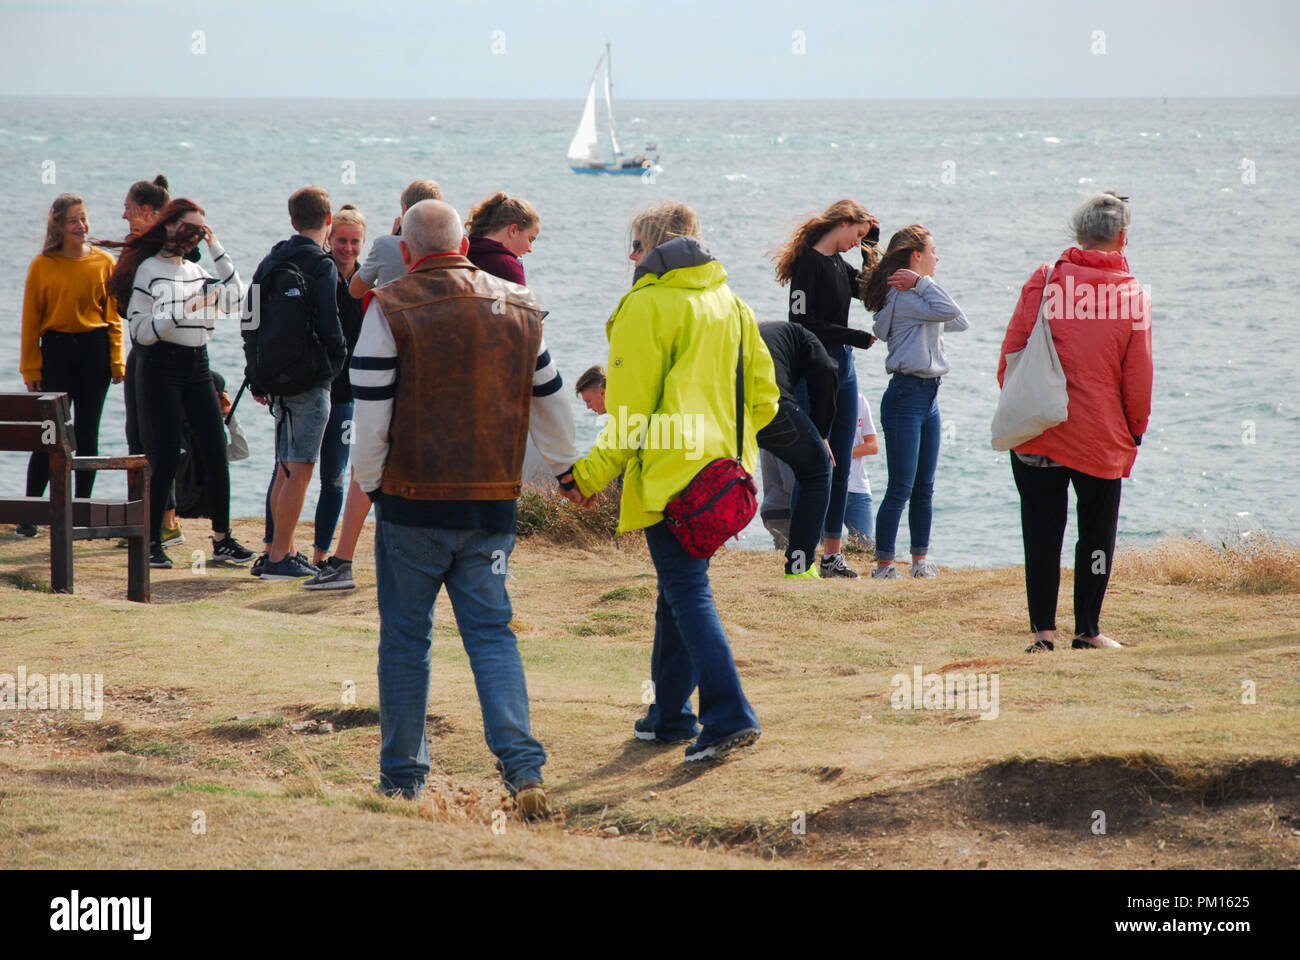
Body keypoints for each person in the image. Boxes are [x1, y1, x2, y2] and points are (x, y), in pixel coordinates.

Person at [350, 199, 577, 816]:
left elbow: (370, 417)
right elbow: (554, 406)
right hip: (491, 507)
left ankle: (402, 781)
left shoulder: (390, 307)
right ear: (463, 244)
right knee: (491, 634)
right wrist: (564, 472)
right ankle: (524, 771)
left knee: (405, 639)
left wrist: (372, 486)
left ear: (407, 250)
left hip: (411, 503)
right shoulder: (520, 307)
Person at [566, 200, 780, 762]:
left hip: (672, 483)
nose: (629, 258)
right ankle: (669, 716)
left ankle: (729, 715)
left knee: (686, 593)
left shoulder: (646, 306)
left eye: (633, 247)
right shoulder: (730, 303)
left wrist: (587, 477)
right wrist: (723, 450)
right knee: (676, 594)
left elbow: (629, 414)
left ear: (651, 248)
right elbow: (764, 398)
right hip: (723, 482)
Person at [998, 193, 1152, 653]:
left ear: (1076, 232)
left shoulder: (1044, 281)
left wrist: (1024, 402)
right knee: (1096, 535)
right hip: (1100, 439)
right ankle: (1087, 630)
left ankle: (1043, 634)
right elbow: (1137, 375)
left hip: (1038, 433)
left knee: (1041, 532)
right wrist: (1136, 428)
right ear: (1123, 236)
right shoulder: (1131, 295)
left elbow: (1011, 355)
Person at [111, 198, 255, 569]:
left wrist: (214, 244)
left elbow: (238, 296)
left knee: (214, 448)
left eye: (200, 232)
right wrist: (184, 309)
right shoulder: (149, 270)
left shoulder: (195, 271)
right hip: (160, 367)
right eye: (189, 229)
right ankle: (152, 541)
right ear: (169, 225)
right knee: (166, 455)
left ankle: (222, 540)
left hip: (198, 365)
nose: (193, 238)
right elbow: (141, 332)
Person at [773, 199, 879, 578]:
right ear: (844, 222)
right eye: (858, 235)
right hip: (814, 368)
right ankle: (801, 561)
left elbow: (871, 292)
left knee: (843, 463)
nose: (857, 242)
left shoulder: (839, 264)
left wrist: (872, 247)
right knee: (816, 461)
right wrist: (854, 335)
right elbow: (802, 324)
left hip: (843, 365)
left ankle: (833, 557)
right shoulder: (808, 264)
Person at [246, 186, 347, 581]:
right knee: (301, 468)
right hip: (309, 379)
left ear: (292, 221)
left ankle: (281, 549)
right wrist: (336, 361)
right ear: (328, 221)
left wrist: (255, 371)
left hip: (277, 379)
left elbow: (249, 318)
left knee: (286, 467)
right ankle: (278, 561)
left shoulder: (272, 260)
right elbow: (329, 322)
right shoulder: (320, 265)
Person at [16, 194, 124, 537]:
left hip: (95, 351)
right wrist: (31, 369)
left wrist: (117, 360)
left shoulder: (104, 262)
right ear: (59, 226)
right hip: (57, 352)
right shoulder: (43, 264)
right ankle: (31, 512)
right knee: (49, 434)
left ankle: (79, 512)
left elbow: (114, 317)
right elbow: (31, 322)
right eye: (74, 220)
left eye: (84, 219)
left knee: (88, 431)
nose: (82, 226)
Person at [865, 224, 968, 580]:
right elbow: (948, 312)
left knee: (924, 486)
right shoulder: (908, 298)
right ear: (916, 256)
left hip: (928, 397)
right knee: (901, 487)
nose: (938, 257)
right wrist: (923, 285)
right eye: (933, 251)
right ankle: (884, 565)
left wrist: (925, 287)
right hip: (906, 397)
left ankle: (920, 560)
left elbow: (959, 319)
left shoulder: (920, 298)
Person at [296, 204, 370, 590]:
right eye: (341, 240)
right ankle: (279, 550)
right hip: (313, 386)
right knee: (292, 468)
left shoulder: (366, 281)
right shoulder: (317, 274)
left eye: (355, 241)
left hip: (348, 392)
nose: (347, 247)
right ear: (329, 238)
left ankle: (322, 555)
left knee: (334, 478)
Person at [112, 174, 188, 547]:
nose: (124, 216)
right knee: (140, 437)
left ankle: (162, 521)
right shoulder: (141, 250)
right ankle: (146, 518)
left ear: (145, 210)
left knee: (155, 440)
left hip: (161, 357)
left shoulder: (170, 253)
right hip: (143, 352)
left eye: (128, 209)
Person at [756, 321, 840, 578]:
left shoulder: (758, 333)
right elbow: (827, 369)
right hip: (770, 403)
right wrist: (822, 432)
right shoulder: (805, 337)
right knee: (816, 468)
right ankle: (800, 566)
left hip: (726, 405)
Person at [348, 179, 442, 299]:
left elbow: (355, 290)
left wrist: (392, 239)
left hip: (391, 316)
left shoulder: (385, 245)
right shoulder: (446, 248)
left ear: (406, 211)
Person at [464, 192, 539, 285]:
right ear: (513, 230)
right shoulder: (507, 267)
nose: (529, 249)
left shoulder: (462, 254)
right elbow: (520, 300)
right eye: (530, 239)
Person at [843, 392, 880, 551]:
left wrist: (842, 455)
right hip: (828, 487)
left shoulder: (859, 400)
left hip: (858, 487)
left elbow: (873, 446)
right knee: (822, 545)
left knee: (864, 548)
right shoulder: (818, 396)